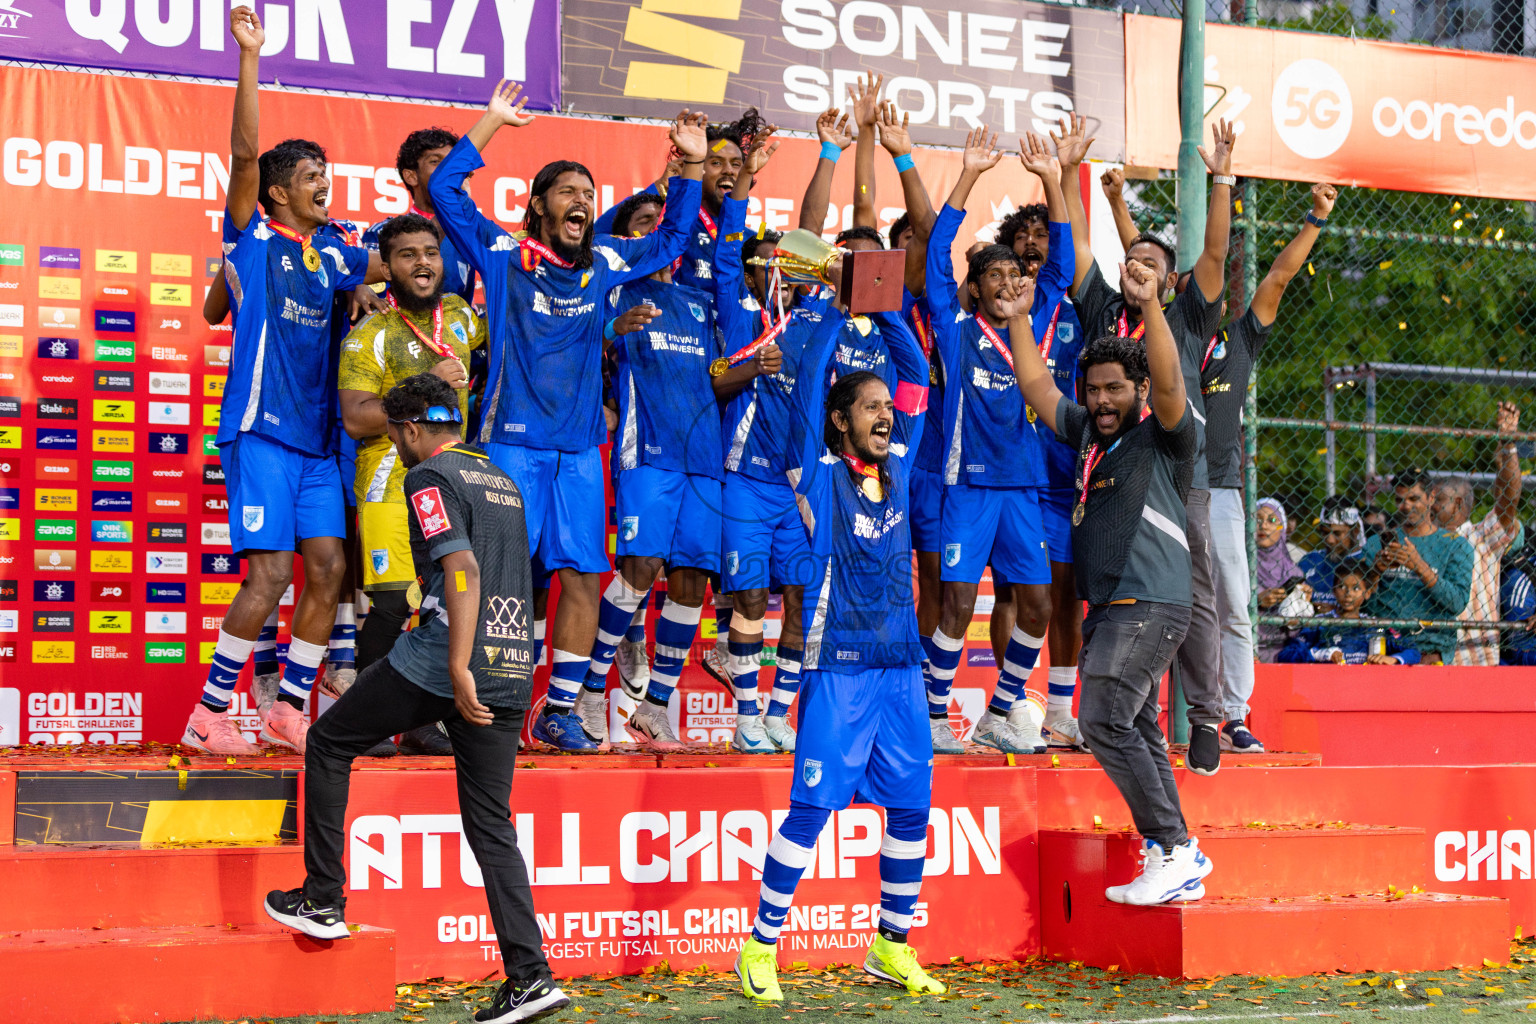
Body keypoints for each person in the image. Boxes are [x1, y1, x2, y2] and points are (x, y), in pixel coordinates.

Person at [264, 374, 567, 1024]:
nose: (397, 445)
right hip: (513, 666)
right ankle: (531, 977)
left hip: (448, 661)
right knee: (492, 825)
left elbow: (462, 569)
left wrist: (455, 664)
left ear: (405, 429)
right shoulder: (502, 480)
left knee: (328, 741)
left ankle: (322, 900)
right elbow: (495, 575)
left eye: (396, 434)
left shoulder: (427, 477)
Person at [429, 82, 706, 750]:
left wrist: (691, 166)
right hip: (513, 445)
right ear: (537, 207)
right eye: (568, 193)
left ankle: (557, 712)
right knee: (497, 578)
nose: (582, 202)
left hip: (580, 451)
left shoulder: (606, 261)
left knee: (583, 577)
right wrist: (492, 122)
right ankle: (451, 700)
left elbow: (671, 237)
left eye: (588, 194)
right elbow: (443, 191)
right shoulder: (503, 257)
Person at [735, 248, 946, 1002]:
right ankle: (760, 947)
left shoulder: (899, 462)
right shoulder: (816, 471)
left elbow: (916, 369)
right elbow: (804, 390)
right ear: (839, 422)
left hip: (898, 671)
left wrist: (880, 298)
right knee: (813, 809)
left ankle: (892, 945)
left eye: (887, 408)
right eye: (870, 407)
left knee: (913, 807)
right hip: (837, 670)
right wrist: (831, 301)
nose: (886, 413)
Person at [182, 5, 383, 756]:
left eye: (324, 175)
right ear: (275, 195)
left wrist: (376, 286)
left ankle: (287, 709)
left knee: (328, 570)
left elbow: (401, 262)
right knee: (269, 575)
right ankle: (207, 715)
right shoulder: (253, 236)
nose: (322, 183)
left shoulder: (333, 256)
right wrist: (251, 58)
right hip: (261, 432)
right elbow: (242, 156)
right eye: (308, 178)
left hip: (316, 445)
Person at [1004, 259, 1212, 905]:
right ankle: (1175, 851)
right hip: (1115, 607)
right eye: (1093, 389)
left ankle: (1174, 847)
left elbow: (1173, 379)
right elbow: (1039, 387)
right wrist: (1014, 318)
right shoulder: (1091, 440)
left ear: (1139, 392)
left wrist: (1151, 306)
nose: (1100, 400)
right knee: (1137, 725)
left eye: (1115, 389)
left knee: (1098, 716)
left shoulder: (1165, 435)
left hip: (1149, 598)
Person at [579, 161, 781, 752]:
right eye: (642, 225)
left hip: (704, 461)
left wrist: (747, 370)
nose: (657, 234)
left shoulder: (699, 303)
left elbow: (711, 383)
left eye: (663, 225)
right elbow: (576, 348)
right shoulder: (612, 286)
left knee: (691, 583)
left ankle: (654, 707)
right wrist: (613, 329)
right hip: (650, 454)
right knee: (639, 573)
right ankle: (593, 687)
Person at [1060, 114, 1233, 777]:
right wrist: (1070, 183)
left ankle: (1208, 715)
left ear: (1170, 281)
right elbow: (1078, 250)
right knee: (1120, 590)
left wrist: (1221, 180)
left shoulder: (1187, 316)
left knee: (1191, 586)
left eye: (1152, 263)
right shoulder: (1107, 311)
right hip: (1109, 472)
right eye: (1131, 258)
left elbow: (1212, 258)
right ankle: (1129, 720)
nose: (1137, 267)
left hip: (1171, 468)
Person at [919, 127, 1066, 756]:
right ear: (976, 288)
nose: (1008, 280)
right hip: (969, 488)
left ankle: (1000, 712)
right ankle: (930, 716)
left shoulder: (1034, 327)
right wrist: (970, 175)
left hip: (1023, 490)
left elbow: (1059, 264)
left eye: (1015, 272)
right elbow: (933, 256)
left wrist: (1054, 181)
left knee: (1036, 606)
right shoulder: (954, 328)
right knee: (954, 604)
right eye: (995, 274)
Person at [1198, 182, 1339, 753]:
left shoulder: (1239, 336)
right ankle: (1148, 716)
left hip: (1223, 491)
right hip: (1161, 487)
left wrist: (1316, 218)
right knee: (1162, 604)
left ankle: (1232, 716)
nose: (1207, 290)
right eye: (1196, 285)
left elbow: (1278, 277)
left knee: (1234, 603)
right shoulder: (1165, 338)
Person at [338, 213, 485, 755]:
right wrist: (425, 388)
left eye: (430, 252)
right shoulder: (372, 333)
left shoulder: (464, 318)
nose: (422, 262)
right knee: (393, 605)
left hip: (452, 480)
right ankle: (361, 719)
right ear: (388, 268)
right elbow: (357, 417)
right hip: (388, 481)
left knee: (443, 605)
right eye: (407, 255)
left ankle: (421, 722)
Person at [1436, 403, 1524, 666]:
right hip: (1430, 664)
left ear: (1460, 505)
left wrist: (1508, 446)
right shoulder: (1420, 541)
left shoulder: (1481, 539)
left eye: (1439, 500)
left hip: (1475, 662)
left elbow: (1508, 500)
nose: (1431, 505)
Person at [1364, 467, 1474, 665]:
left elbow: (1457, 603)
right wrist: (1375, 572)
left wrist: (1419, 566)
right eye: (1399, 500)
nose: (1406, 506)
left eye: (1414, 499)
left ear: (1431, 498)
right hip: (1382, 650)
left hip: (1430, 651)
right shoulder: (1375, 543)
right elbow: (1363, 605)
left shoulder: (1456, 545)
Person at [362, 128, 478, 303]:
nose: (449, 170)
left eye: (452, 163)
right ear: (411, 176)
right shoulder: (383, 232)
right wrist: (452, 206)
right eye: (436, 162)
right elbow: (373, 304)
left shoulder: (473, 233)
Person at [1278, 561, 1421, 665]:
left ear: (1367, 593)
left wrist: (1393, 659)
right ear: (1333, 590)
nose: (1348, 594)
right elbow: (1286, 655)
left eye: (1356, 588)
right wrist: (1319, 654)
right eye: (1342, 587)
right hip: (1328, 685)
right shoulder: (1320, 623)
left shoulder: (1376, 626)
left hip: (1367, 685)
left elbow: (1413, 651)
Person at [1255, 498, 1312, 662]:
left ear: (1283, 528)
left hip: (1281, 651)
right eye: (1257, 520)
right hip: (1244, 646)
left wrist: (1299, 607)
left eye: (1272, 520)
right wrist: (1256, 600)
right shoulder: (1239, 564)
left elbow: (1295, 632)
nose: (1263, 526)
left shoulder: (1293, 571)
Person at [1298, 497, 1367, 613]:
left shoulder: (1367, 562)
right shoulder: (1310, 561)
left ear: (1355, 531)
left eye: (1337, 533)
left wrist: (1335, 613)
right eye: (1325, 532)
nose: (1329, 540)